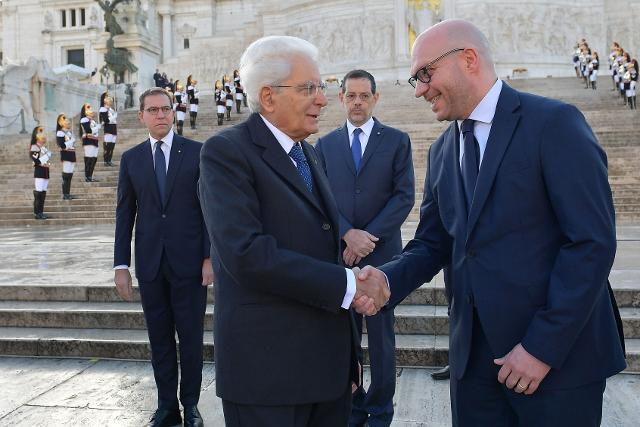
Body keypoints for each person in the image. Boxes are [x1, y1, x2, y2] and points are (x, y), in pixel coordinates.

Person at [354, 19, 626, 426]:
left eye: (425, 74)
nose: (420, 89)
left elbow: (591, 242)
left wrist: (541, 348)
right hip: (473, 366)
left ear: (468, 59)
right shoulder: (443, 150)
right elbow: (434, 243)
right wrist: (387, 280)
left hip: (558, 363)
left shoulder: (553, 124)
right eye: (414, 80)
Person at [198, 35, 390, 427]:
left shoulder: (309, 153)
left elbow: (321, 244)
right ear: (268, 97)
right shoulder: (226, 153)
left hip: (329, 375)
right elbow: (247, 255)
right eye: (309, 88)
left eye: (321, 87)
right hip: (268, 379)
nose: (322, 99)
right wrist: (350, 285)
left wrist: (348, 357)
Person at [315, 69, 415, 427]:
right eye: (351, 95)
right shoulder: (324, 146)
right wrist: (346, 234)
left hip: (384, 257)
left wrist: (366, 237)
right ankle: (354, 407)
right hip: (341, 257)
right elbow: (318, 198)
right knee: (348, 336)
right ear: (341, 98)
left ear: (375, 98)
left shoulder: (397, 141)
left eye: (364, 95)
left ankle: (381, 410)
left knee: (382, 338)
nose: (357, 102)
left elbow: (404, 197)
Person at [113, 87, 212, 427]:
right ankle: (167, 405)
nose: (160, 115)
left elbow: (209, 210)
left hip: (189, 265)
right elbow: (125, 214)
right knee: (160, 340)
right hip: (151, 265)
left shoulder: (197, 153)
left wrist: (209, 257)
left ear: (173, 112)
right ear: (141, 116)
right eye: (152, 110)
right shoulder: (132, 159)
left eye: (165, 109)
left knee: (191, 339)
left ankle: (192, 405)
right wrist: (121, 265)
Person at [30, 126, 52, 220]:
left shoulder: (44, 148)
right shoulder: (35, 147)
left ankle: (41, 212)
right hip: (39, 172)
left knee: (43, 193)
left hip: (45, 172)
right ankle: (37, 213)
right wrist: (47, 156)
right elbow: (36, 161)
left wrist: (47, 156)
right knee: (38, 193)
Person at [56, 113, 77, 200]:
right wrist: (71, 141)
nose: (67, 121)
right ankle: (65, 194)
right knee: (66, 175)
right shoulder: (60, 133)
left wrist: (71, 140)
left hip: (71, 154)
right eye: (64, 119)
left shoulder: (69, 133)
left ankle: (68, 193)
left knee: (70, 175)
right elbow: (62, 146)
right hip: (66, 155)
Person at [80, 103, 101, 182]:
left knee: (94, 159)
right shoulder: (84, 119)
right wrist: (96, 128)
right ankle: (87, 176)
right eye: (88, 108)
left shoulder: (92, 121)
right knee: (89, 159)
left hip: (94, 141)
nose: (90, 110)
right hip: (88, 141)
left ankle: (90, 176)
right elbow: (88, 130)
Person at [99, 92, 118, 167]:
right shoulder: (103, 109)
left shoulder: (110, 109)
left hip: (113, 127)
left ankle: (109, 160)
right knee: (108, 145)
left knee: (112, 145)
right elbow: (106, 120)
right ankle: (106, 160)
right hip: (108, 127)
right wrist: (114, 116)